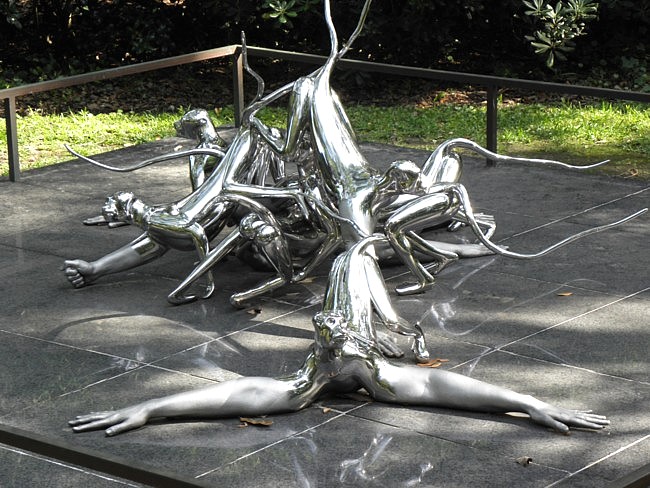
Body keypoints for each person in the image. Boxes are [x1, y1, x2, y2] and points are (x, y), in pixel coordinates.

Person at [69, 236, 609, 437]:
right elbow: (241, 394)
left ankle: (392, 246)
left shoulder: (373, 371)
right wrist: (151, 408)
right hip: (360, 306)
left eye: (344, 351)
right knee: (356, 253)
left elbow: (439, 386)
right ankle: (377, 246)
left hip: (371, 309)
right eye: (336, 351)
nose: (340, 358)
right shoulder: (320, 377)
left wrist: (529, 402)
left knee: (359, 253)